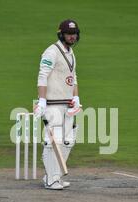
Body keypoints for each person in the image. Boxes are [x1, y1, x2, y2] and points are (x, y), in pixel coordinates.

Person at [34, 19, 82, 190]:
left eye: (74, 34)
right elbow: (42, 76)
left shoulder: (70, 53)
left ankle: (55, 176)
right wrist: (41, 100)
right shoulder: (51, 51)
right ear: (61, 34)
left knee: (68, 141)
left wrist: (76, 97)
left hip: (68, 104)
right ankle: (50, 179)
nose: (72, 37)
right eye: (69, 34)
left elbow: (72, 77)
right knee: (52, 141)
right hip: (53, 103)